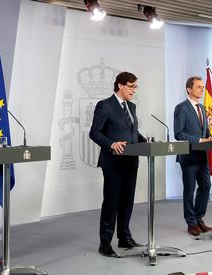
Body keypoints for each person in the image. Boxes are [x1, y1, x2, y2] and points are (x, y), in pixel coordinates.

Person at [89, 71, 146, 257]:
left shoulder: (132, 107)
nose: (133, 90)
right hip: (113, 162)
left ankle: (124, 237)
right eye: (131, 86)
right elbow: (95, 133)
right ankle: (105, 242)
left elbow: (133, 133)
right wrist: (111, 144)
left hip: (131, 161)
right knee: (111, 202)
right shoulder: (105, 106)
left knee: (127, 201)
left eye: (135, 87)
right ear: (120, 85)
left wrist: (148, 143)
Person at [174, 76, 212, 236]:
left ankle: (199, 219)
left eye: (202, 87)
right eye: (198, 87)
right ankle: (191, 223)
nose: (202, 89)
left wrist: (209, 137)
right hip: (189, 155)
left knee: (206, 186)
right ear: (189, 89)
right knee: (189, 189)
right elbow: (179, 134)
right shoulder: (181, 108)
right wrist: (199, 139)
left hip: (202, 156)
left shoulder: (203, 109)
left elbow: (205, 132)